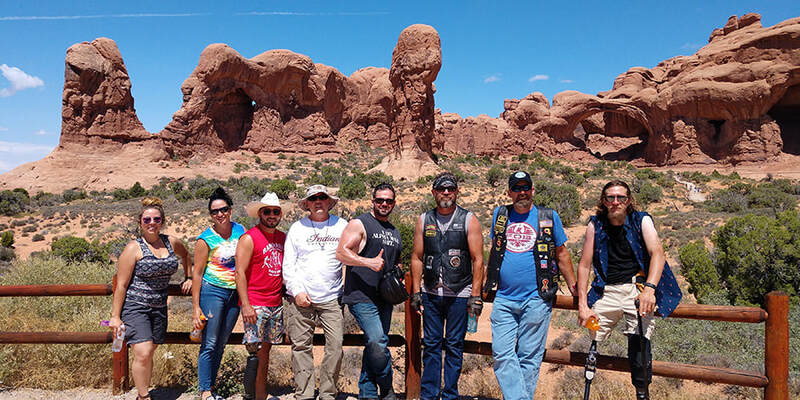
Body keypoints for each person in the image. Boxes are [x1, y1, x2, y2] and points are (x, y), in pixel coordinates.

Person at [576, 180, 682, 399]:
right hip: (606, 290)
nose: (616, 202)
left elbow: (657, 253)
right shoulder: (595, 225)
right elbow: (584, 265)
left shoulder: (641, 220)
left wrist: (650, 289)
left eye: (621, 198)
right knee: (594, 337)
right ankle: (589, 382)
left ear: (629, 200)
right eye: (610, 198)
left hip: (637, 289)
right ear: (603, 201)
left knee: (640, 342)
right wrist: (583, 305)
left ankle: (642, 392)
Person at [484, 171, 578, 400]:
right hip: (504, 297)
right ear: (510, 193)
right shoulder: (500, 214)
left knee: (528, 357)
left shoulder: (548, 216)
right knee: (502, 354)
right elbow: (495, 250)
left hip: (537, 297)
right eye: (517, 188)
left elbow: (561, 254)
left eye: (526, 187)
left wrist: (574, 287)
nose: (522, 192)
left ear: (533, 190)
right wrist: (485, 282)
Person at [409, 172, 484, 400]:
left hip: (459, 294)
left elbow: (478, 259)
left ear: (457, 192)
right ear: (434, 192)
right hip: (431, 293)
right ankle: (429, 395)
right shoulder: (424, 220)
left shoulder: (468, 219)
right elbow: (417, 257)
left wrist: (475, 295)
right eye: (441, 189)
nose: (446, 193)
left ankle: (450, 394)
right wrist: (416, 292)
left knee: (454, 345)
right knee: (431, 346)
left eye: (450, 188)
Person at [109, 197, 192, 400]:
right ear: (140, 223)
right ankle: (144, 396)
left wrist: (188, 277)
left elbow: (186, 255)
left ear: (162, 221)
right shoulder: (133, 248)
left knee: (149, 351)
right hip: (136, 307)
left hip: (159, 307)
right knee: (144, 352)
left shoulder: (171, 242)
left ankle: (143, 390)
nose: (152, 223)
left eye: (156, 219)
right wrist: (115, 316)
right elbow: (121, 285)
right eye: (147, 220)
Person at [336, 183, 402, 400]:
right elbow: (341, 253)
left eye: (388, 201)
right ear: (372, 201)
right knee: (377, 340)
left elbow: (396, 262)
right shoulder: (360, 224)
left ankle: (367, 393)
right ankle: (387, 388)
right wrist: (368, 262)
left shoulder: (394, 231)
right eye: (380, 200)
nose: (384, 204)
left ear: (393, 203)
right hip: (361, 296)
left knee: (374, 345)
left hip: (384, 298)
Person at [282, 185, 348, 400]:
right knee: (301, 347)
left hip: (332, 298)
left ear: (329, 201)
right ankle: (305, 394)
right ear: (307, 204)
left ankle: (328, 393)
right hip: (302, 298)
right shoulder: (297, 228)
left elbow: (353, 253)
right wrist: (297, 291)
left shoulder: (342, 226)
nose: (318, 201)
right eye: (313, 198)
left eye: (322, 197)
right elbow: (288, 264)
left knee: (335, 346)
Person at [191, 187, 246, 400]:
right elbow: (197, 273)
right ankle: (205, 391)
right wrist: (196, 307)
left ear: (230, 210)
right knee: (210, 342)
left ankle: (211, 387)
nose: (220, 214)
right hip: (212, 292)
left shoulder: (240, 230)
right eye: (215, 211)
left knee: (222, 342)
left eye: (223, 209)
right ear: (210, 214)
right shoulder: (205, 239)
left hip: (235, 294)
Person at [235, 192, 287, 400]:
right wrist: (246, 305)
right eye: (267, 211)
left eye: (275, 211)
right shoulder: (249, 238)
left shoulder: (282, 238)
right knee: (254, 352)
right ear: (260, 214)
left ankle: (261, 394)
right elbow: (239, 272)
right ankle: (251, 395)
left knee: (265, 351)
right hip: (255, 303)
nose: (271, 215)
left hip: (275, 302)